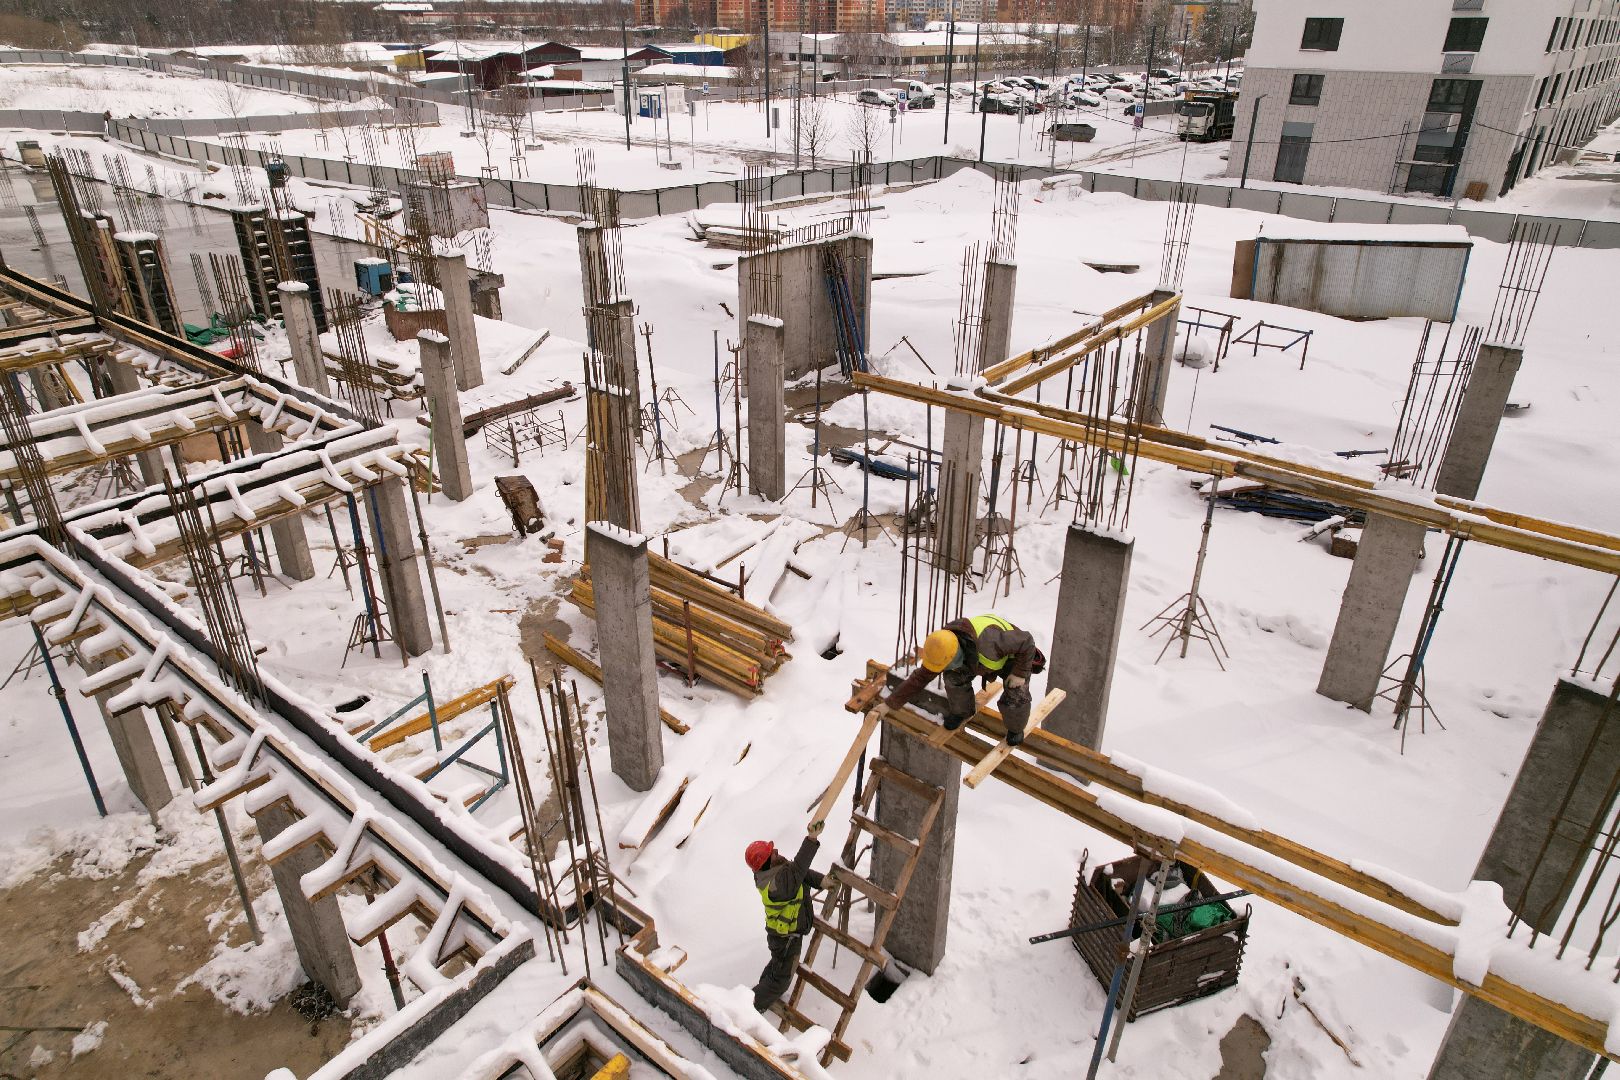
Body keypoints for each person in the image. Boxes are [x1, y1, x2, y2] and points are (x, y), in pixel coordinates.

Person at [883, 614, 1044, 745]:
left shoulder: (991, 641)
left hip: (1013, 658)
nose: (946, 667)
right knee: (953, 677)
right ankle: (962, 712)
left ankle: (1016, 729)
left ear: (956, 654)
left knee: (1016, 693)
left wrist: (1020, 673)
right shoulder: (942, 646)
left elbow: (1026, 641)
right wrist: (891, 703)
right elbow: (919, 679)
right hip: (976, 657)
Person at [746, 823, 825, 1013]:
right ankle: (747, 1008)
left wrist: (822, 881)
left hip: (780, 936)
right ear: (767, 862)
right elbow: (797, 870)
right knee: (780, 981)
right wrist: (811, 839)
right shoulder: (777, 885)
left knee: (777, 966)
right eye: (772, 852)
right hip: (786, 939)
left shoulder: (776, 872)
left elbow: (799, 874)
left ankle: (756, 995)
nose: (777, 851)